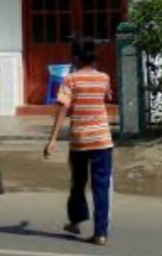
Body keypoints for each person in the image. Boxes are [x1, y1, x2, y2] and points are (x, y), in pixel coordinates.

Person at [44, 38, 114, 246]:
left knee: (78, 181)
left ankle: (75, 220)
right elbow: (107, 98)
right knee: (101, 186)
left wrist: (53, 138)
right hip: (102, 140)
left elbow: (63, 108)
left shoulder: (70, 80)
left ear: (75, 57)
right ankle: (100, 233)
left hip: (80, 140)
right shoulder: (104, 78)